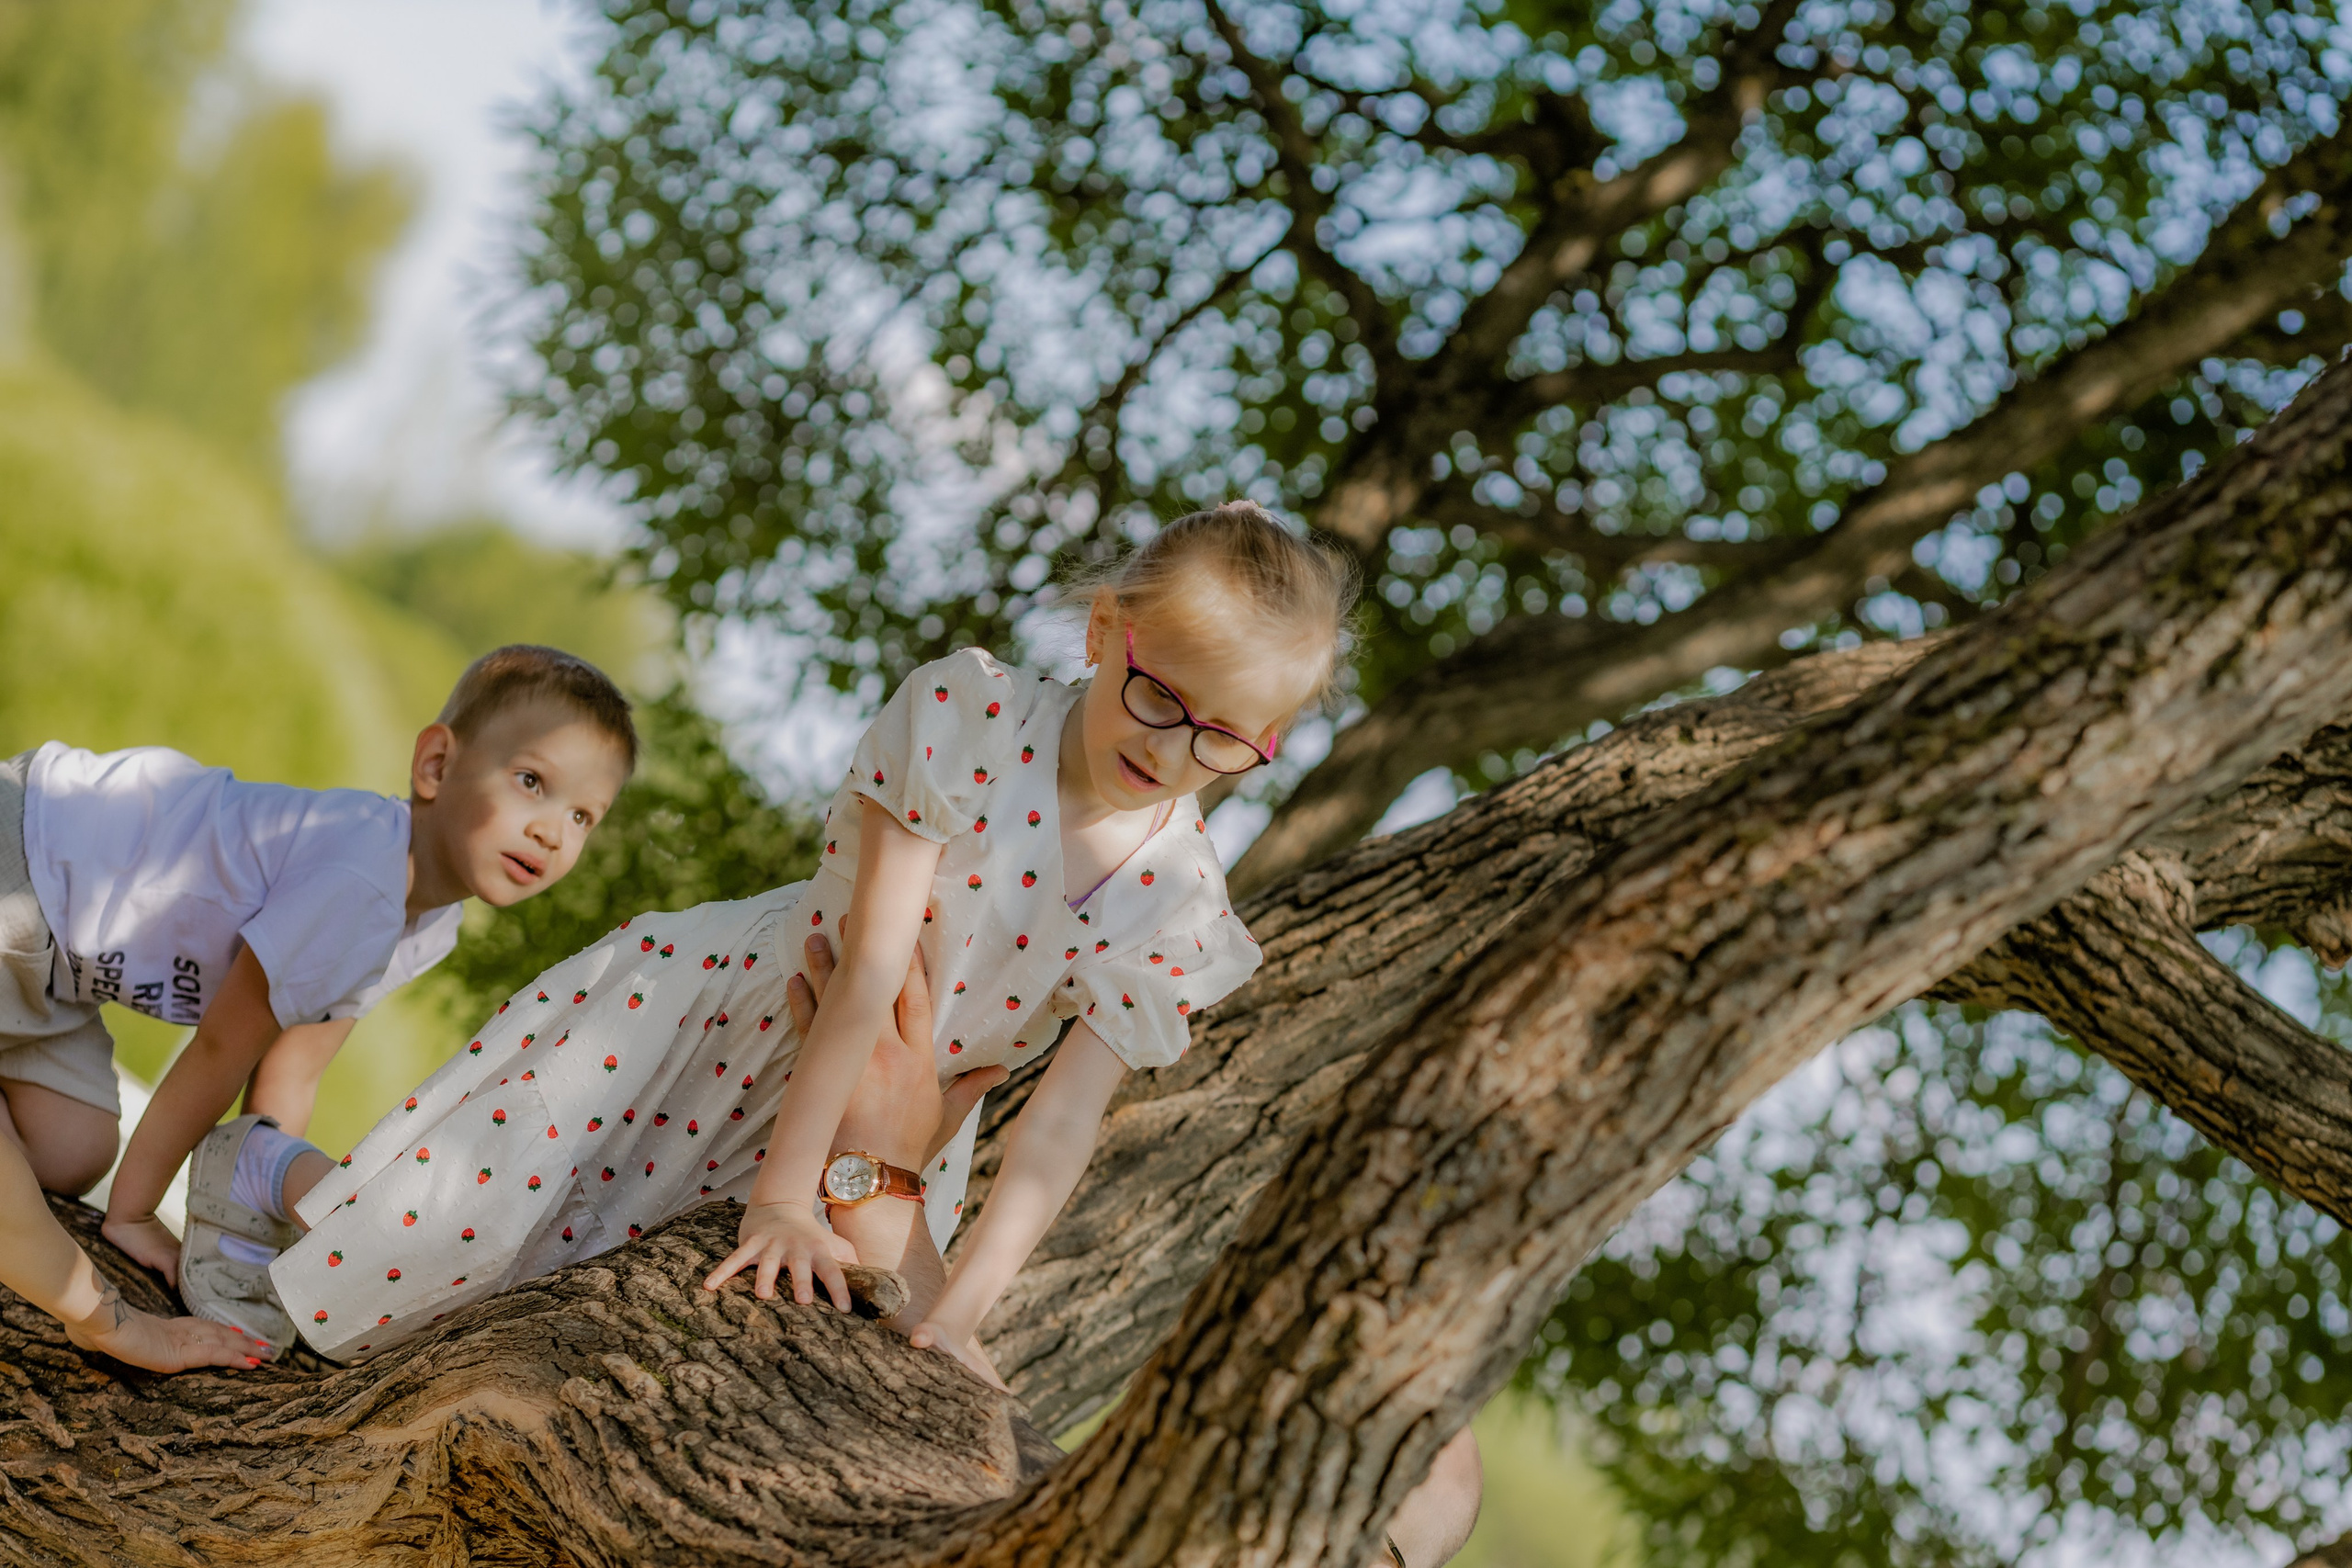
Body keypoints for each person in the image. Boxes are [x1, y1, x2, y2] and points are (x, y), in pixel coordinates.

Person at [212, 501, 1351, 1368]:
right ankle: (264, 1168)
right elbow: (862, 974)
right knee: (452, 1235)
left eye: (1226, 741)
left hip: (882, 1136)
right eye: (1161, 698)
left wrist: (954, 1320)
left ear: (1272, 739)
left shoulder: (1181, 900)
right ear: (1108, 631)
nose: (1173, 752)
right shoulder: (976, 716)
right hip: (722, 1022)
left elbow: (1057, 1130)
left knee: (616, 1321)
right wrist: (781, 1201)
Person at [0, 644, 637, 1363]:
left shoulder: (424, 922)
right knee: (49, 1182)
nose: (553, 831)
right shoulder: (359, 876)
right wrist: (135, 1211)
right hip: (27, 859)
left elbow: (292, 1070)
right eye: (531, 782)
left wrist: (245, 1228)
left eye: (585, 815)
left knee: (70, 1150)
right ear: (436, 765)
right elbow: (222, 1046)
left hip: (52, 973)